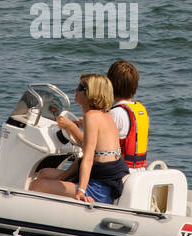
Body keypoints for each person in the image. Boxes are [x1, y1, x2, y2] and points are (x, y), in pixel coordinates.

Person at [29, 74, 128, 203]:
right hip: (106, 180)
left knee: (36, 186)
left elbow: (88, 157)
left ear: (91, 93)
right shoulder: (105, 116)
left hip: (99, 187)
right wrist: (64, 176)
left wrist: (81, 190)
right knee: (44, 173)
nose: (76, 90)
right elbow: (90, 148)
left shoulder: (91, 117)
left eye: (81, 87)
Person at [107, 60, 148, 169]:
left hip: (121, 174)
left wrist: (70, 127)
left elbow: (95, 145)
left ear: (110, 85)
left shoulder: (115, 114)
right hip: (139, 172)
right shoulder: (141, 111)